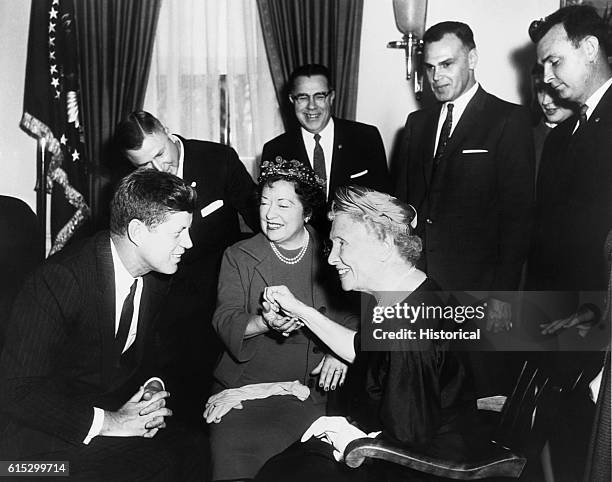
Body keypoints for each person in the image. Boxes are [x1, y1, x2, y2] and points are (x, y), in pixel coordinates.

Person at [256, 186, 477, 482]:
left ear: (385, 245)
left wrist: (345, 436)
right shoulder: (405, 292)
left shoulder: (407, 329)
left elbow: (407, 438)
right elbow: (363, 349)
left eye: (342, 244)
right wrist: (299, 309)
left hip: (416, 465)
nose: (332, 258)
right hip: (407, 444)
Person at [0, 169, 205, 480]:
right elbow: (17, 390)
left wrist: (152, 388)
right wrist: (111, 422)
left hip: (109, 411)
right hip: (35, 452)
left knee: (194, 448)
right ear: (137, 231)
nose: (188, 243)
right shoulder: (60, 281)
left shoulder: (159, 276)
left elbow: (156, 350)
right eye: (178, 233)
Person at [207, 157, 358, 480]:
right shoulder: (239, 256)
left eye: (283, 205)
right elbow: (225, 318)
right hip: (246, 390)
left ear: (307, 212)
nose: (270, 214)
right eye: (264, 203)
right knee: (236, 460)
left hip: (311, 392)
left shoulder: (335, 252)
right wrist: (263, 322)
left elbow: (359, 313)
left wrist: (339, 352)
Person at [115, 111, 260, 420]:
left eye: (159, 154)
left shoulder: (217, 158)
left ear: (168, 130)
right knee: (173, 398)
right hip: (165, 299)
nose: (156, 168)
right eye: (143, 164)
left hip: (221, 290)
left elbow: (259, 220)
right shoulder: (131, 184)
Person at [394, 21, 534, 335]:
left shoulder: (508, 120)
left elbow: (518, 220)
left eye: (447, 64)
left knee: (479, 383)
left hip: (480, 292)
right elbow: (402, 210)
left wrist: (503, 296)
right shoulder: (416, 124)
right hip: (420, 288)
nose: (436, 77)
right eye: (429, 67)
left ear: (471, 59)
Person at [261, 64, 390, 230]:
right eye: (303, 97)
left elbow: (384, 200)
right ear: (292, 100)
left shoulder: (365, 138)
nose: (312, 106)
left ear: (331, 96)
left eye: (319, 96)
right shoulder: (275, 149)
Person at [530, 64, 575, 175]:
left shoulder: (593, 132)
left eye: (553, 90)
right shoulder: (526, 137)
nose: (545, 101)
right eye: (540, 90)